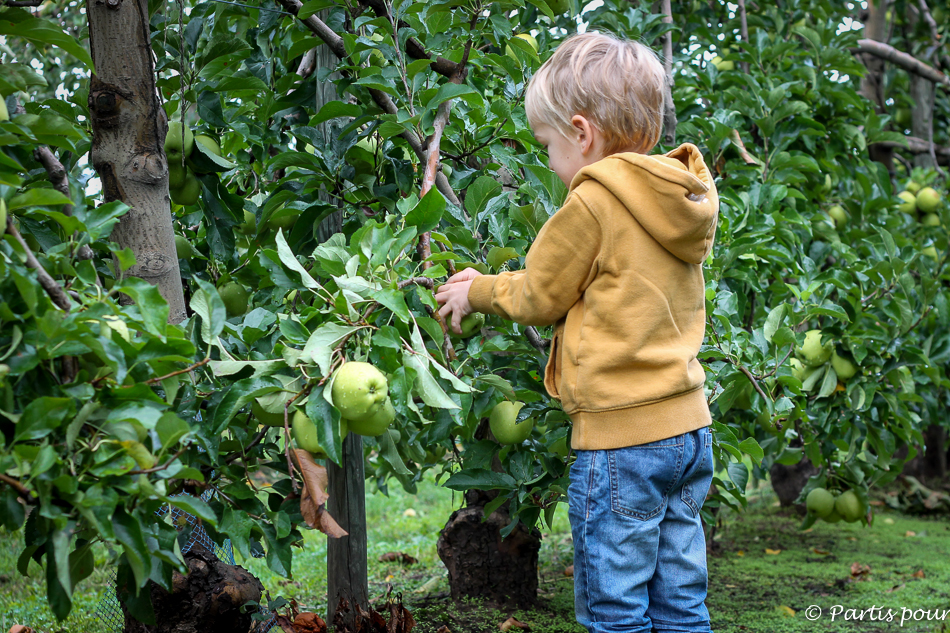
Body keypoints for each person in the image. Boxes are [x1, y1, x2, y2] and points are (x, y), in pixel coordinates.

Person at [435, 31, 719, 633]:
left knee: (615, 606)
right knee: (680, 600)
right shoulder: (680, 199)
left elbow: (540, 292)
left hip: (621, 438)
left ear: (582, 134)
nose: (549, 160)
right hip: (689, 428)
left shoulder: (593, 203)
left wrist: (476, 289)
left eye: (547, 145)